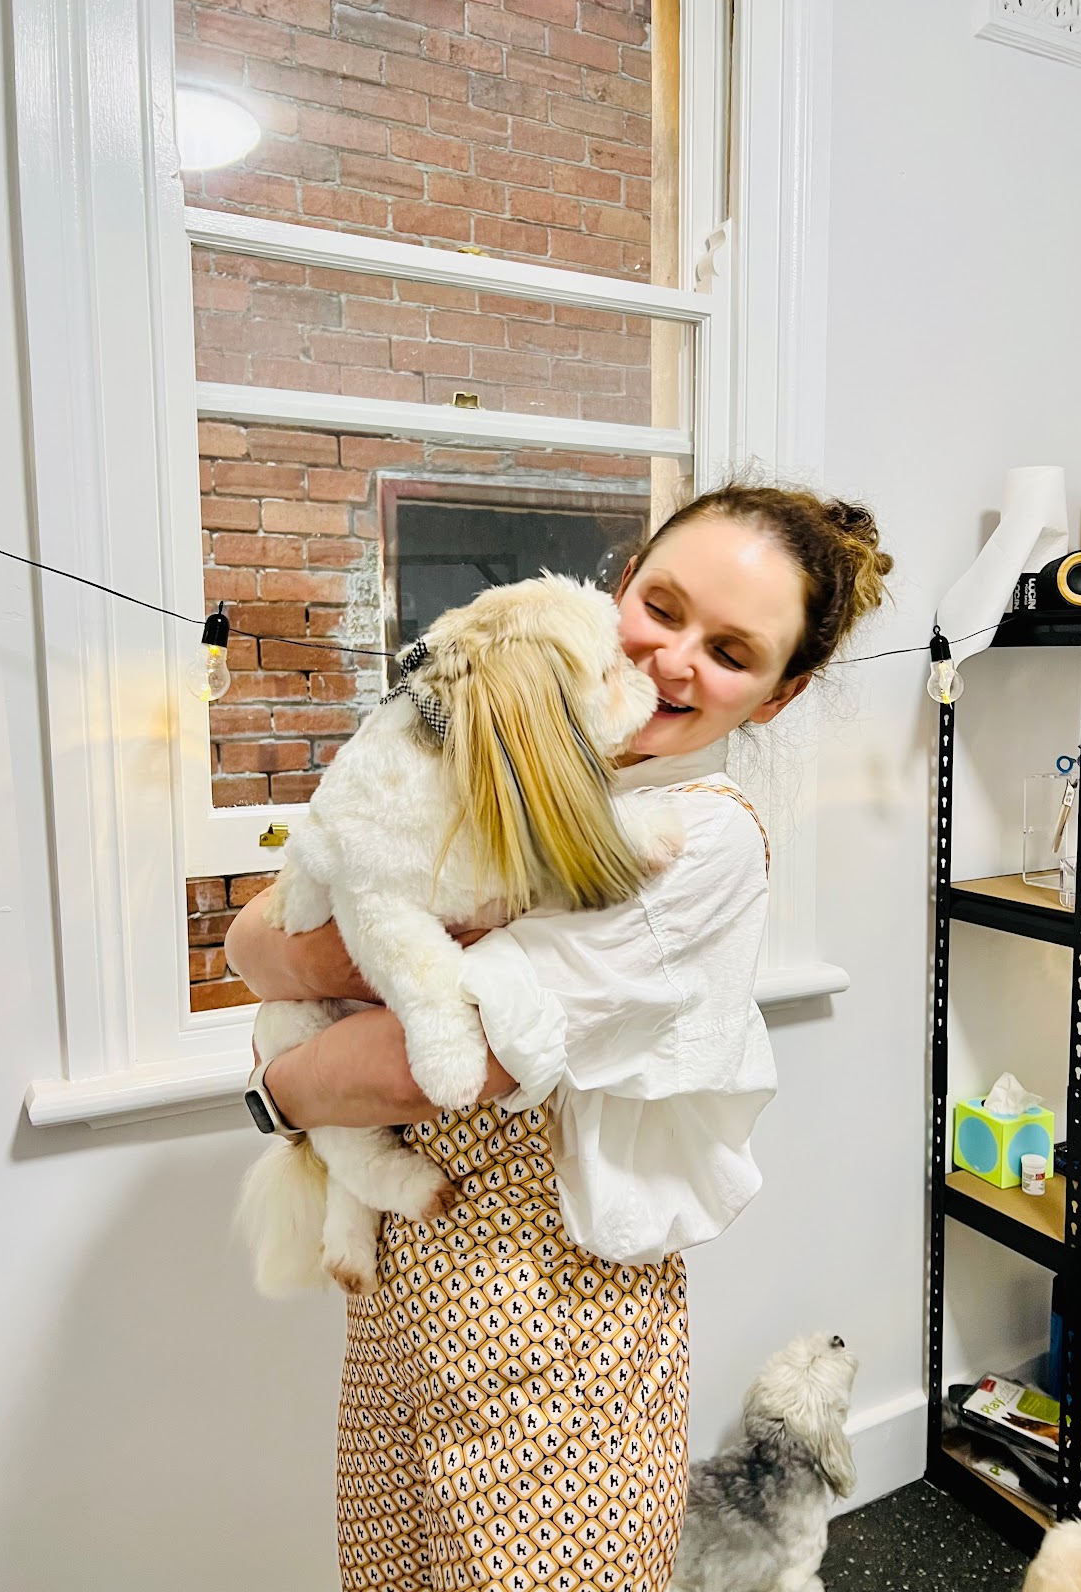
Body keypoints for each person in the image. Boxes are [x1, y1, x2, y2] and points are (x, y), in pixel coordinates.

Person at [226, 482, 893, 1592]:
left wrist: (277, 1092)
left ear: (779, 697)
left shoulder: (706, 841)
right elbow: (257, 941)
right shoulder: (497, 755)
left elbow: (438, 1063)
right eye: (662, 607)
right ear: (618, 584)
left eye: (731, 651)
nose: (674, 659)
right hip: (400, 1298)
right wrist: (341, 978)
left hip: (555, 1326)